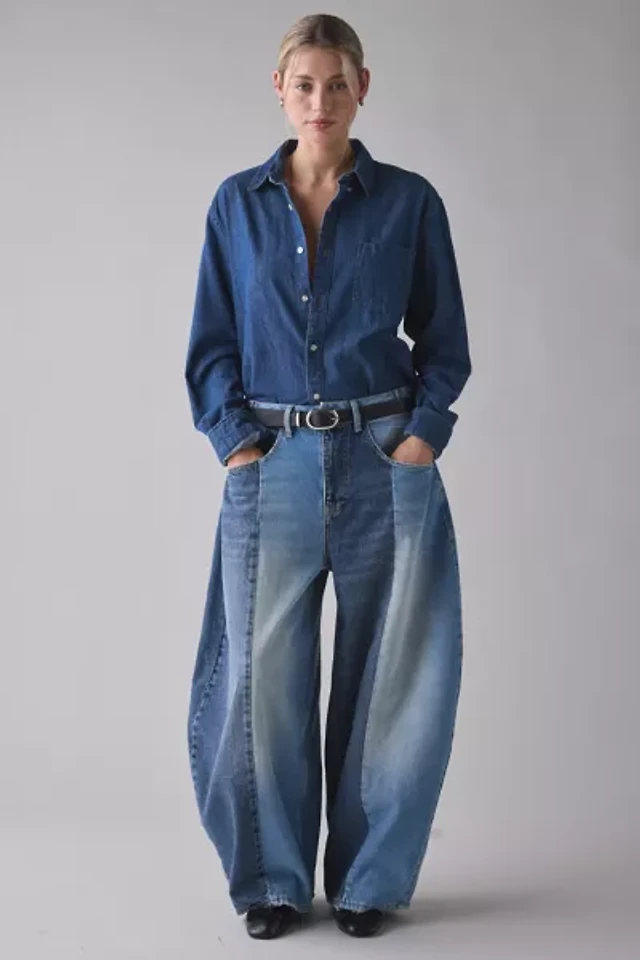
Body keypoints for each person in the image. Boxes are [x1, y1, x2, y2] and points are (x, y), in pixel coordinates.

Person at [184, 12, 471, 941]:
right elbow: (211, 346)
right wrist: (238, 445)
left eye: (336, 84)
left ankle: (366, 884)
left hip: (385, 458)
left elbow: (446, 341)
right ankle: (272, 882)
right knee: (258, 682)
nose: (320, 101)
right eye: (304, 85)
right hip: (271, 463)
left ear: (362, 88)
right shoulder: (236, 205)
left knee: (394, 677)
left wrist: (419, 440)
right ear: (280, 90)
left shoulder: (410, 202)